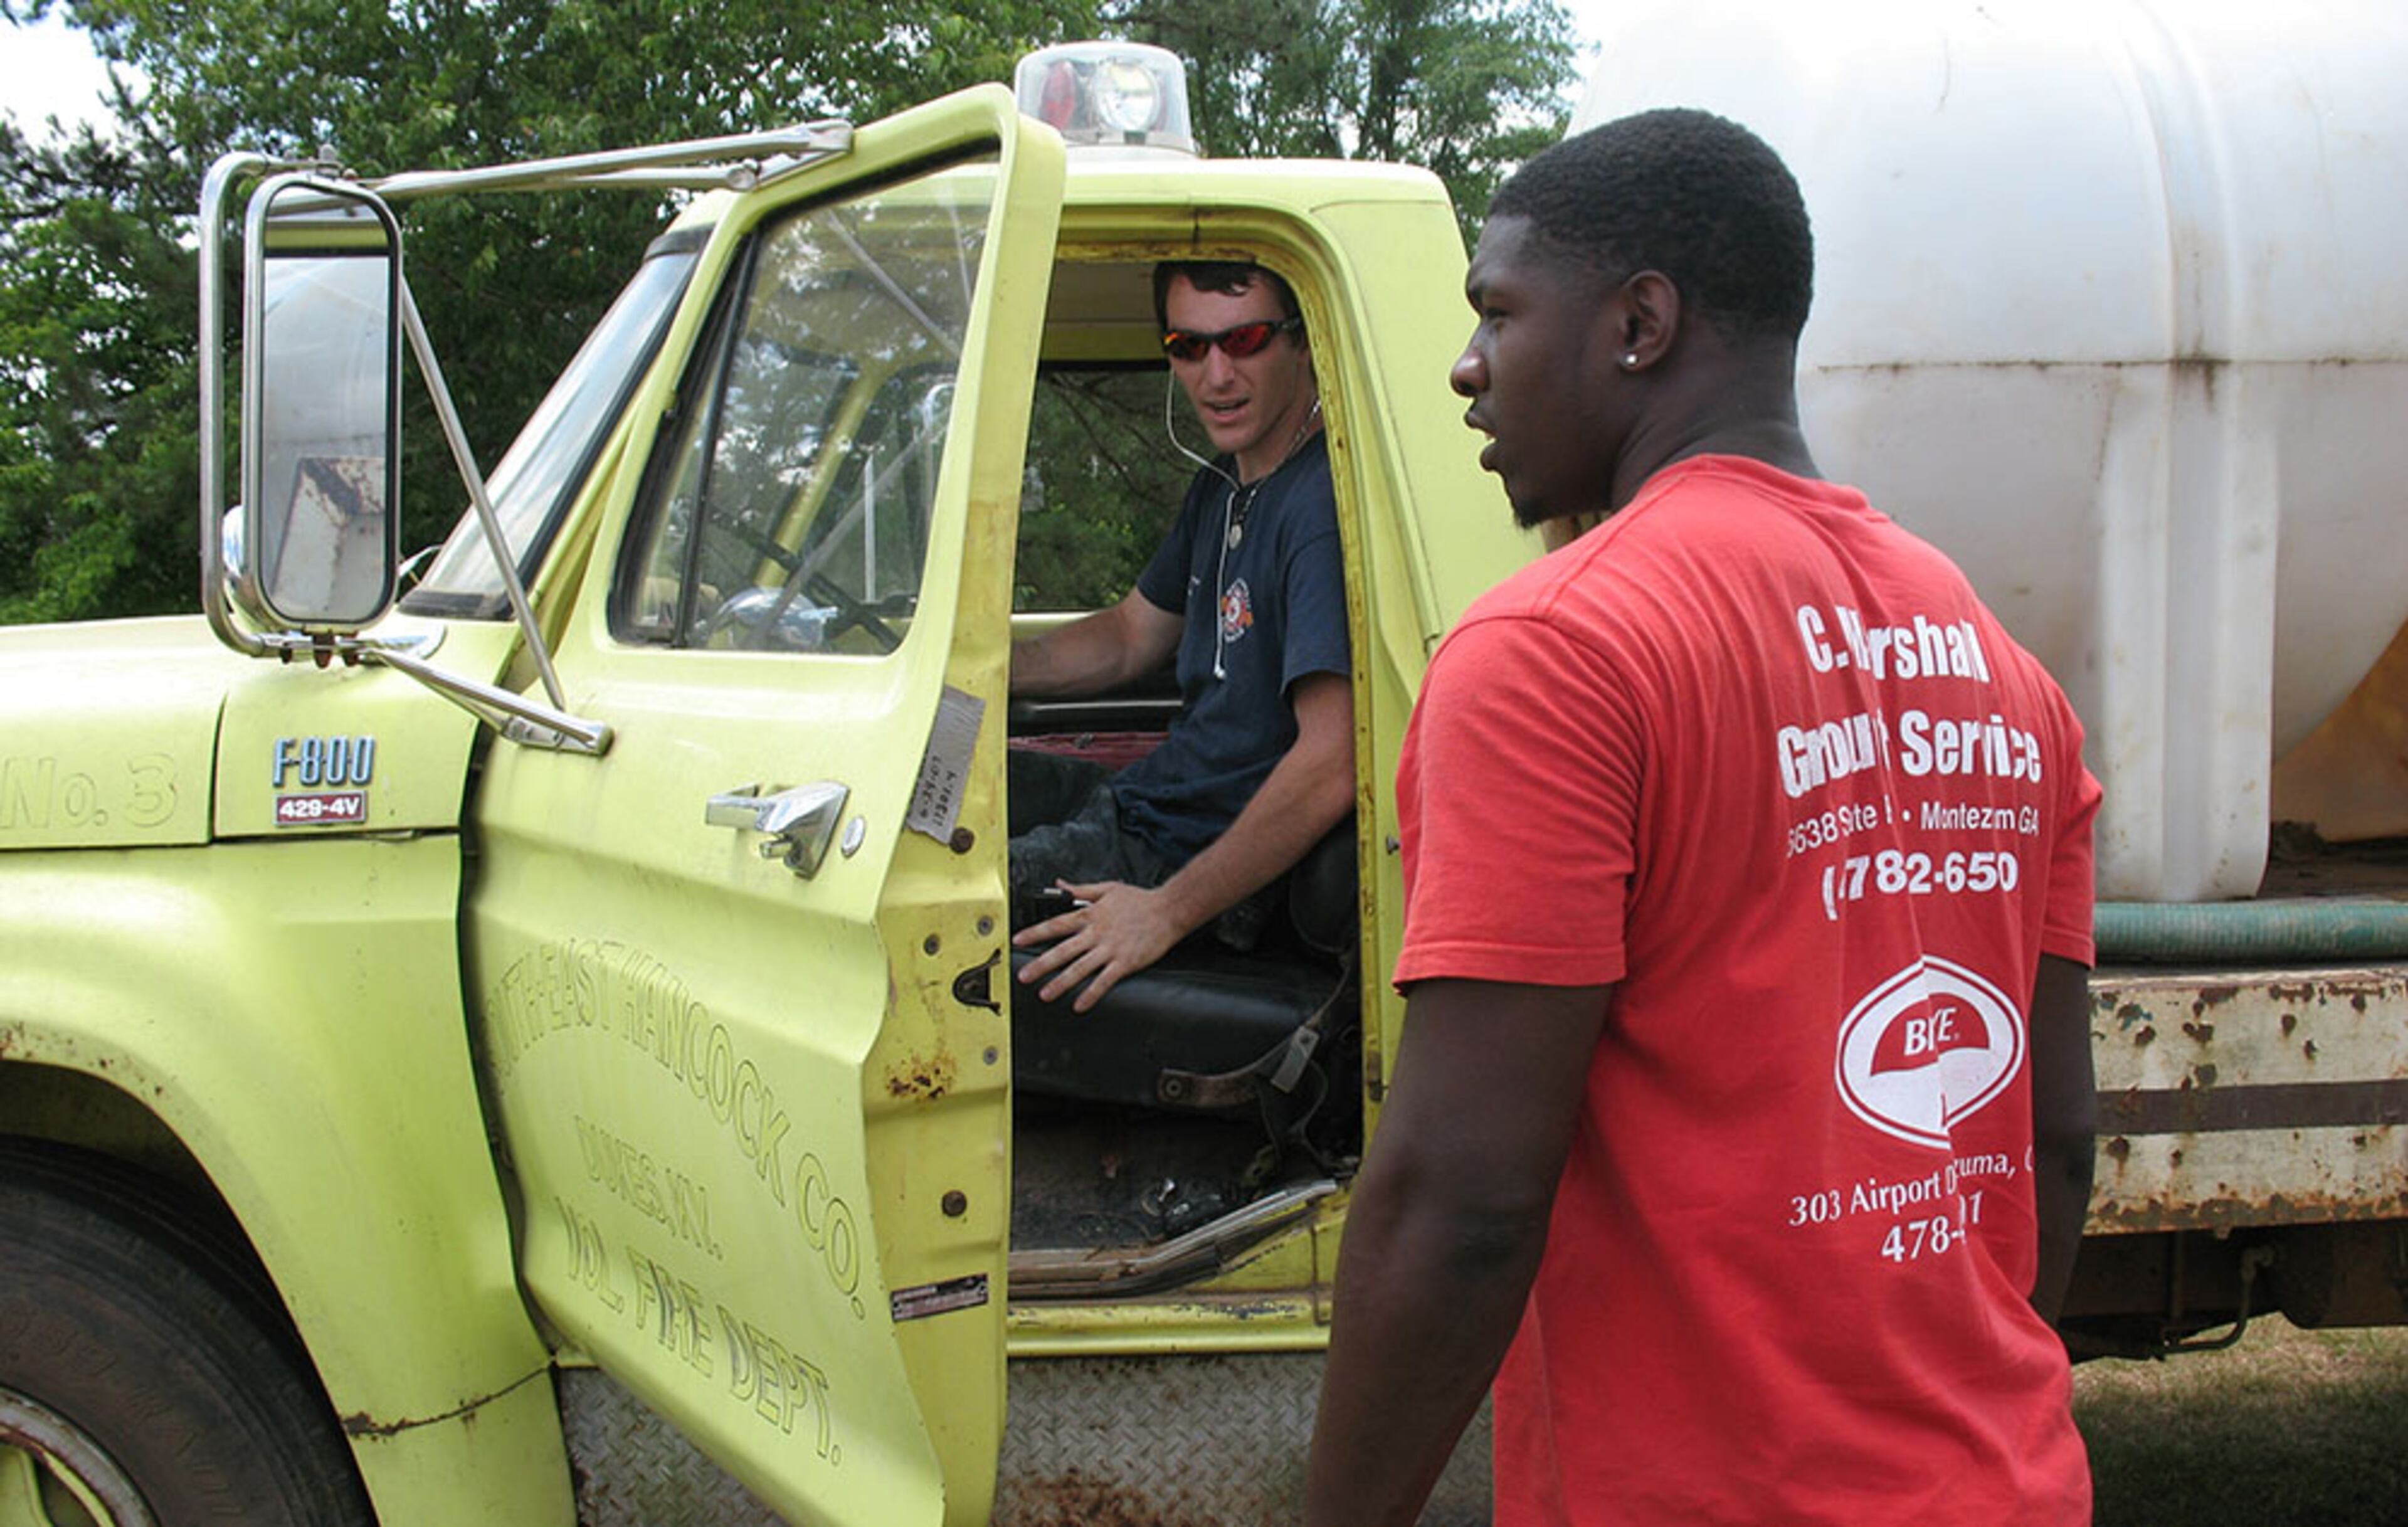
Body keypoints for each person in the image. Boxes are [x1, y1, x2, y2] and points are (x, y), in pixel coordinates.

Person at [1302, 110, 2102, 1525]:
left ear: (1641, 323)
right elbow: (2053, 1139)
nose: (1467, 366)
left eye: (1498, 311)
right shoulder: (2005, 672)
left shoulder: (1558, 652)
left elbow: (1461, 1203)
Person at [1010, 260, 1354, 1013]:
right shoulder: (1224, 484)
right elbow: (1131, 635)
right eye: (1188, 346)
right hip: (1153, 803)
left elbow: (1333, 760)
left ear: (1304, 343)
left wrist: (1162, 911)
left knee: (921, 905)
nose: (1217, 375)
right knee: (967, 795)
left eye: (1247, 339)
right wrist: (982, 668)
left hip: (1190, 851)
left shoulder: (1321, 507)